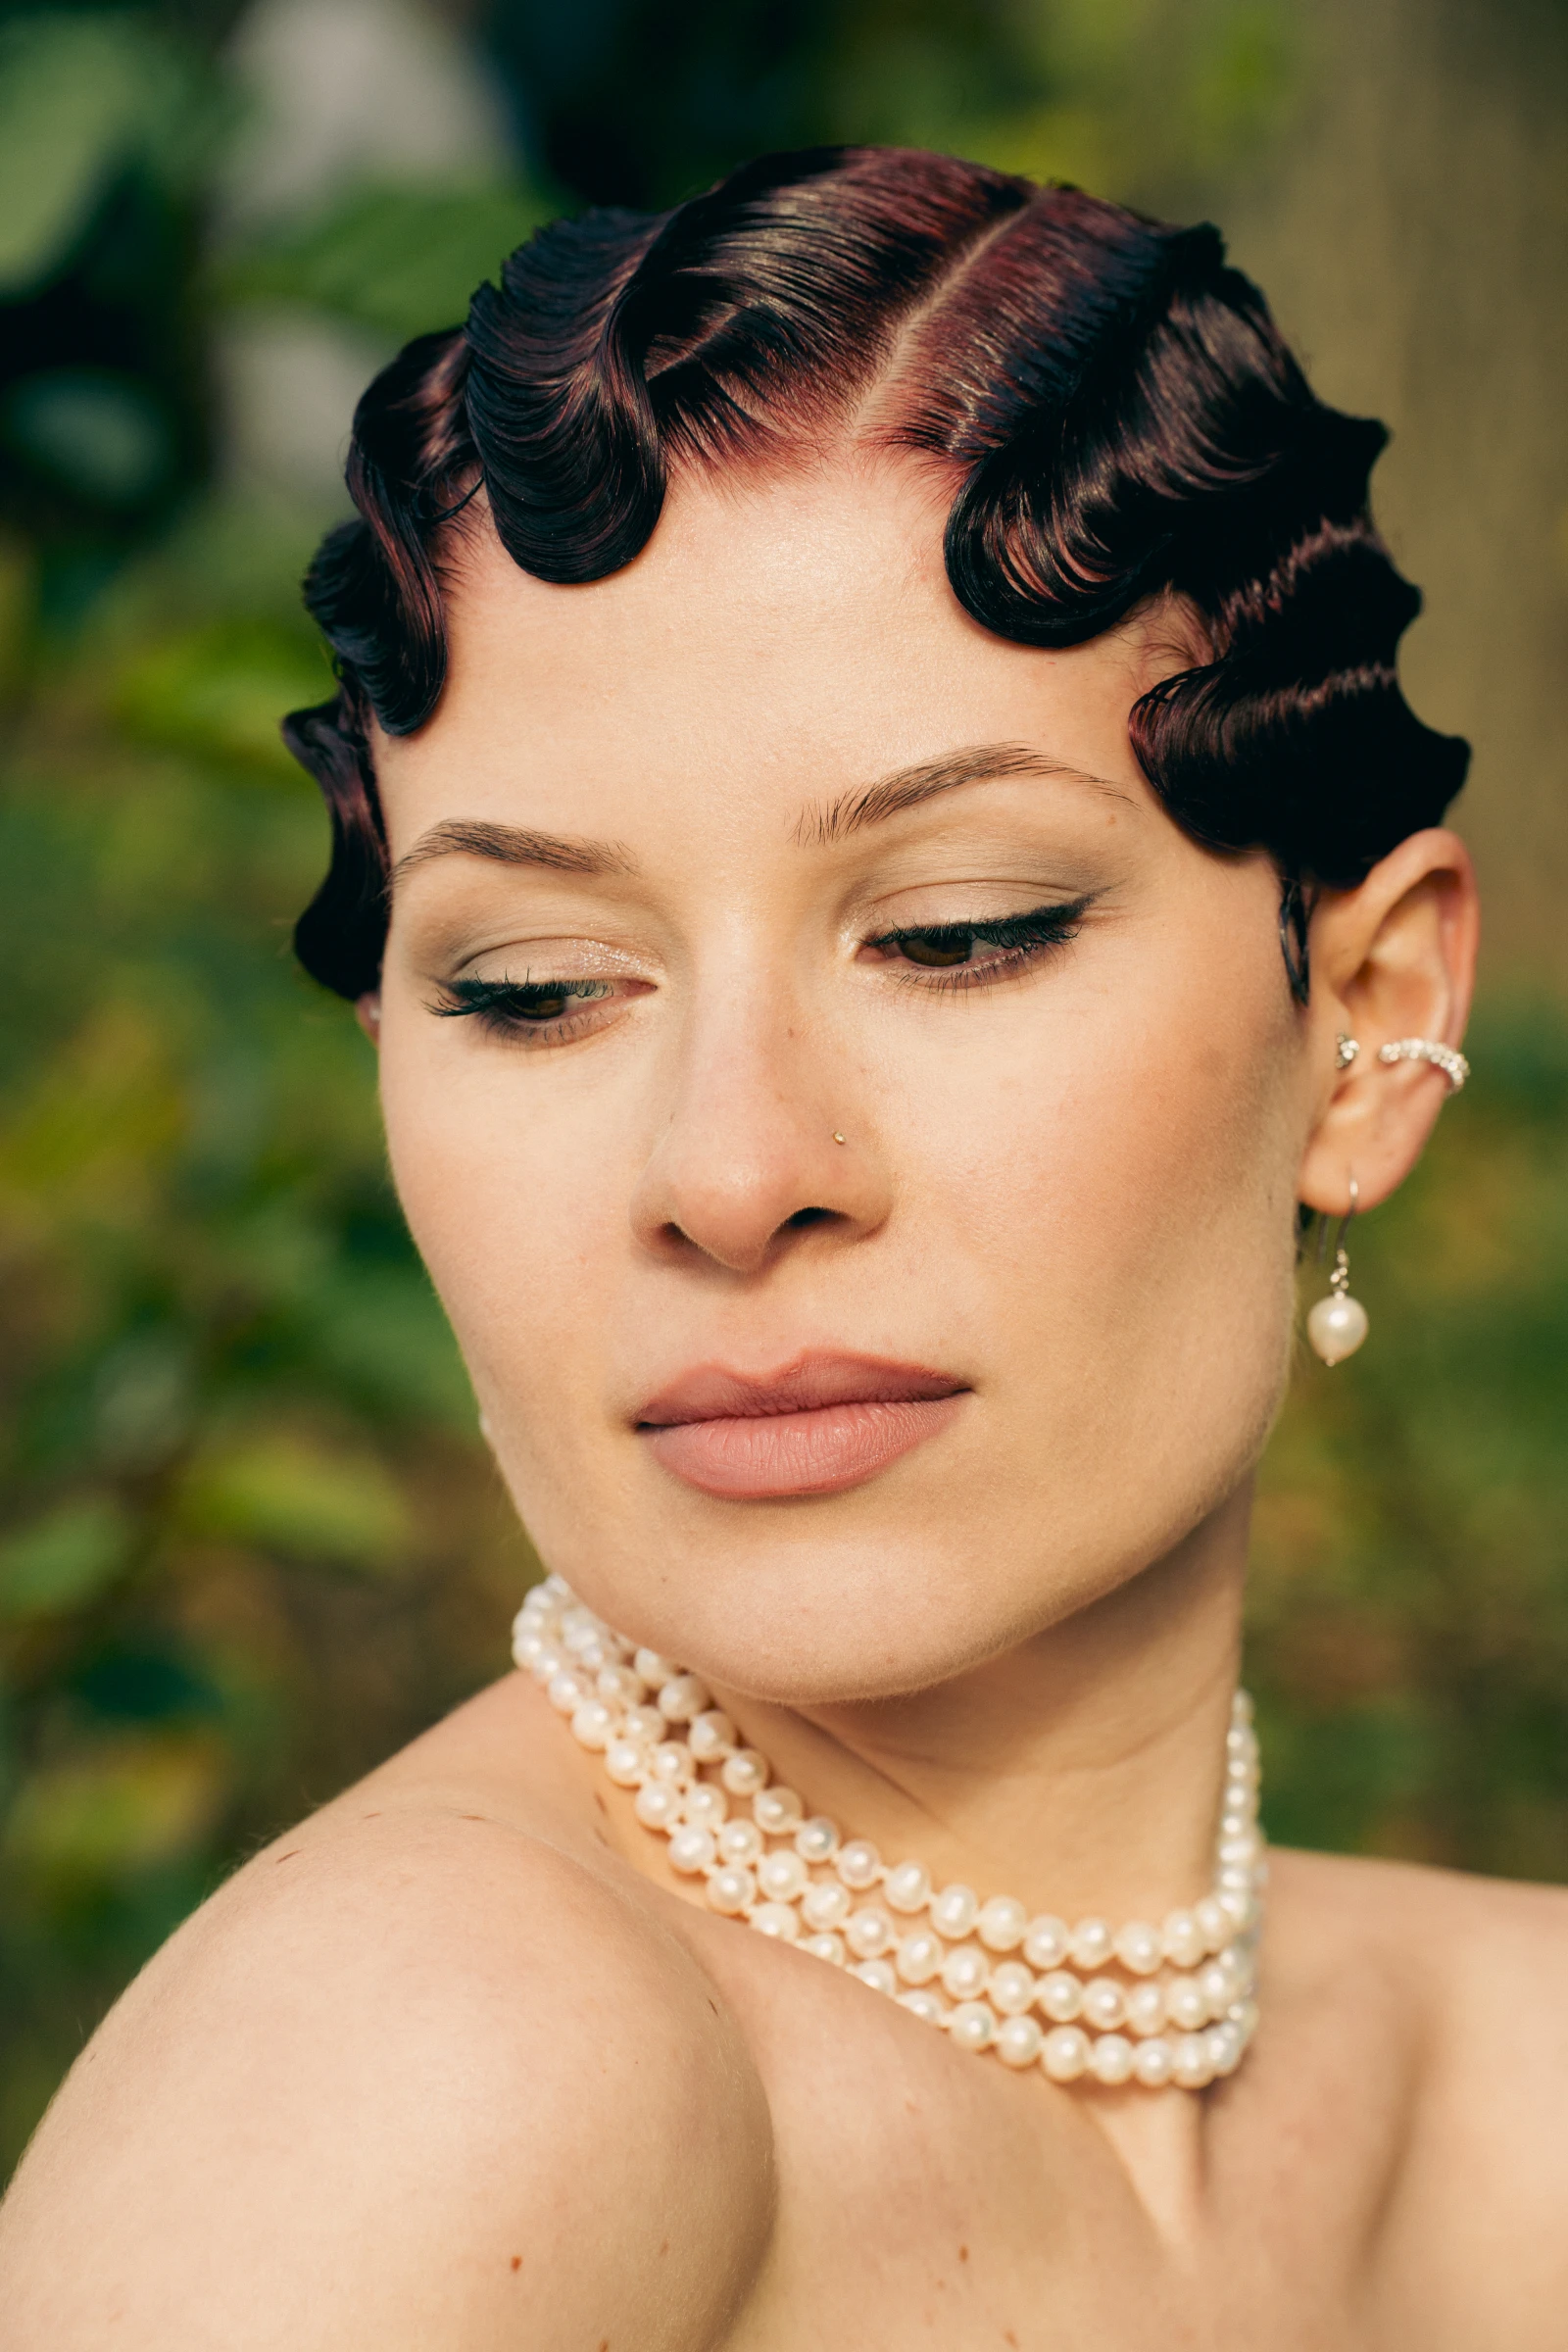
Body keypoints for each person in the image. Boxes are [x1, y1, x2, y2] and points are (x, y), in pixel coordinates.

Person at [2, 145, 1562, 2349]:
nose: (731, 1172)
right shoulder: (428, 2071)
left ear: (1370, 1030)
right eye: (532, 986)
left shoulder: (1520, 2084)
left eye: (959, 932)